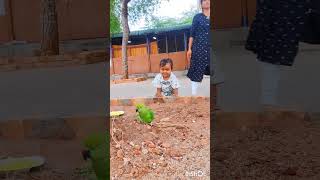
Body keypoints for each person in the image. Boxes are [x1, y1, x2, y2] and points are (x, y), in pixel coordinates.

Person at [245, 0, 310, 111]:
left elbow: (261, 19)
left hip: (276, 35)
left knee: (270, 69)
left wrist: (254, 42)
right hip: (281, 33)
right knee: (270, 68)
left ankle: (269, 105)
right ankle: (269, 105)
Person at [187, 0, 210, 96]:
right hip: (198, 48)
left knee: (216, 71)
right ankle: (194, 95)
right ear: (201, 4)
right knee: (196, 70)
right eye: (204, 0)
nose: (207, 1)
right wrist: (189, 48)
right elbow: (192, 34)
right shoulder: (197, 17)